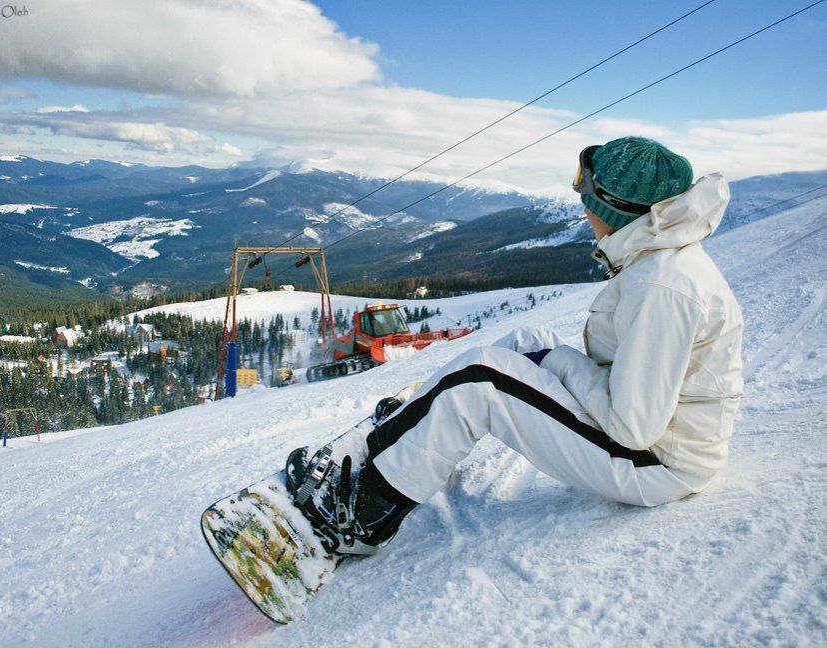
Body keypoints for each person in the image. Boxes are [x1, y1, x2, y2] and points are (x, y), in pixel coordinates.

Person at [286, 136, 744, 555]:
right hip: (654, 441)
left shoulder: (662, 286)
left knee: (481, 379)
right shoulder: (660, 260)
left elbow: (633, 427)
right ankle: (416, 429)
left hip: (655, 466)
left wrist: (560, 364)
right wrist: (552, 359)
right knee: (528, 342)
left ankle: (365, 517)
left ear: (609, 207)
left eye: (585, 192)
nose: (581, 206)